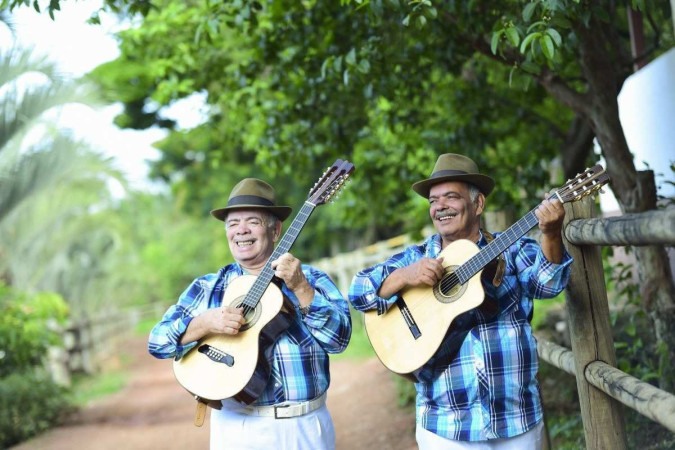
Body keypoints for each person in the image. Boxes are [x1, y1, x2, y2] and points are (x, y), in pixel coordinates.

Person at [348, 153, 573, 449]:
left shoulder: (512, 249)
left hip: (516, 420)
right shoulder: (417, 257)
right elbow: (357, 291)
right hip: (445, 426)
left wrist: (552, 234)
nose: (439, 206)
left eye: (450, 197)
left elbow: (549, 285)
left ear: (478, 204)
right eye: (433, 200)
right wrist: (404, 276)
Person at [149, 178, 352, 450]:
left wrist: (301, 288)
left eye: (253, 221)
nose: (241, 230)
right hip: (238, 428)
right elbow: (157, 342)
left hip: (305, 425)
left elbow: (339, 340)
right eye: (233, 224)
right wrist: (204, 323)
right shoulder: (208, 287)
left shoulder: (311, 279)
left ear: (276, 229)